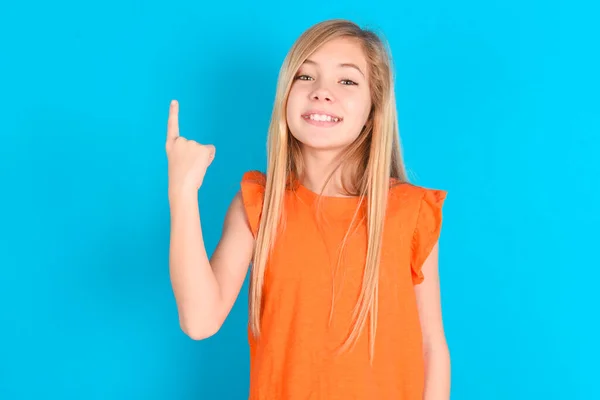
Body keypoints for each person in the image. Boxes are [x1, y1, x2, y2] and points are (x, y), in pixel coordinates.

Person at [165, 19, 450, 400]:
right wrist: (182, 192)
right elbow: (199, 320)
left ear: (374, 106)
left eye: (347, 81)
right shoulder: (259, 206)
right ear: (285, 94)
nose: (321, 93)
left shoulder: (411, 212)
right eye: (305, 77)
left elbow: (431, 345)